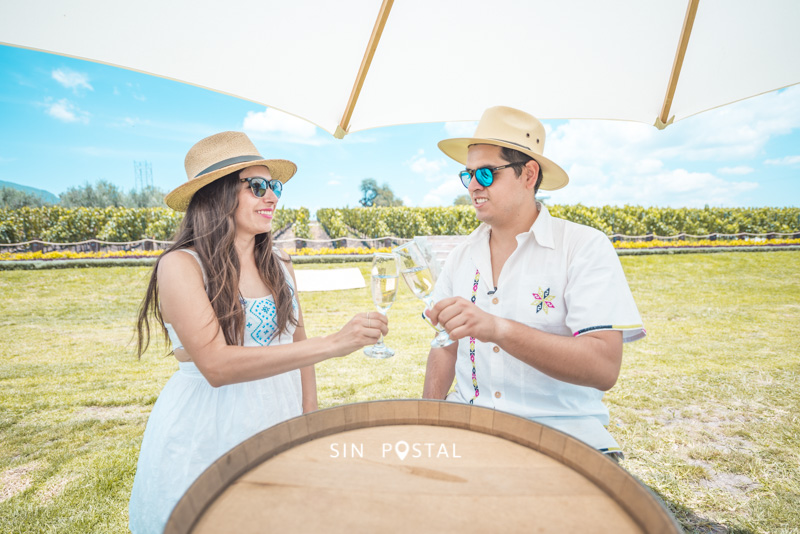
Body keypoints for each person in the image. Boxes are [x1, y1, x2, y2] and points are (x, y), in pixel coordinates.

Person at [128, 131, 388, 533]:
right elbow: (216, 365)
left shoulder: (280, 264)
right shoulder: (181, 266)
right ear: (217, 194)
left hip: (278, 416)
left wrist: (309, 419)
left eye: (275, 186)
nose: (273, 197)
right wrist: (335, 344)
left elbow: (297, 347)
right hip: (209, 430)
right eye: (258, 186)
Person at [423, 106, 645, 457]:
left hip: (564, 440)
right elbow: (444, 346)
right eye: (468, 176)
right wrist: (428, 420)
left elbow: (603, 367)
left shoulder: (583, 247)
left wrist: (498, 328)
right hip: (469, 432)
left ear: (529, 175)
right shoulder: (460, 257)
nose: (474, 187)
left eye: (486, 174)